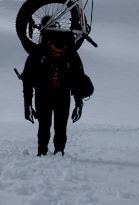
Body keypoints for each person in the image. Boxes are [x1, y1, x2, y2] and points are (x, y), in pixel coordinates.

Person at [21, 28, 88, 156]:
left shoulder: (71, 54)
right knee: (44, 126)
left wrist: (79, 104)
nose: (58, 55)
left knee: (61, 127)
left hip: (62, 96)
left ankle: (59, 153)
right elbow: (27, 81)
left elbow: (78, 80)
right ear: (49, 43)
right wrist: (27, 105)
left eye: (60, 52)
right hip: (43, 95)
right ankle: (42, 152)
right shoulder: (37, 54)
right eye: (55, 52)